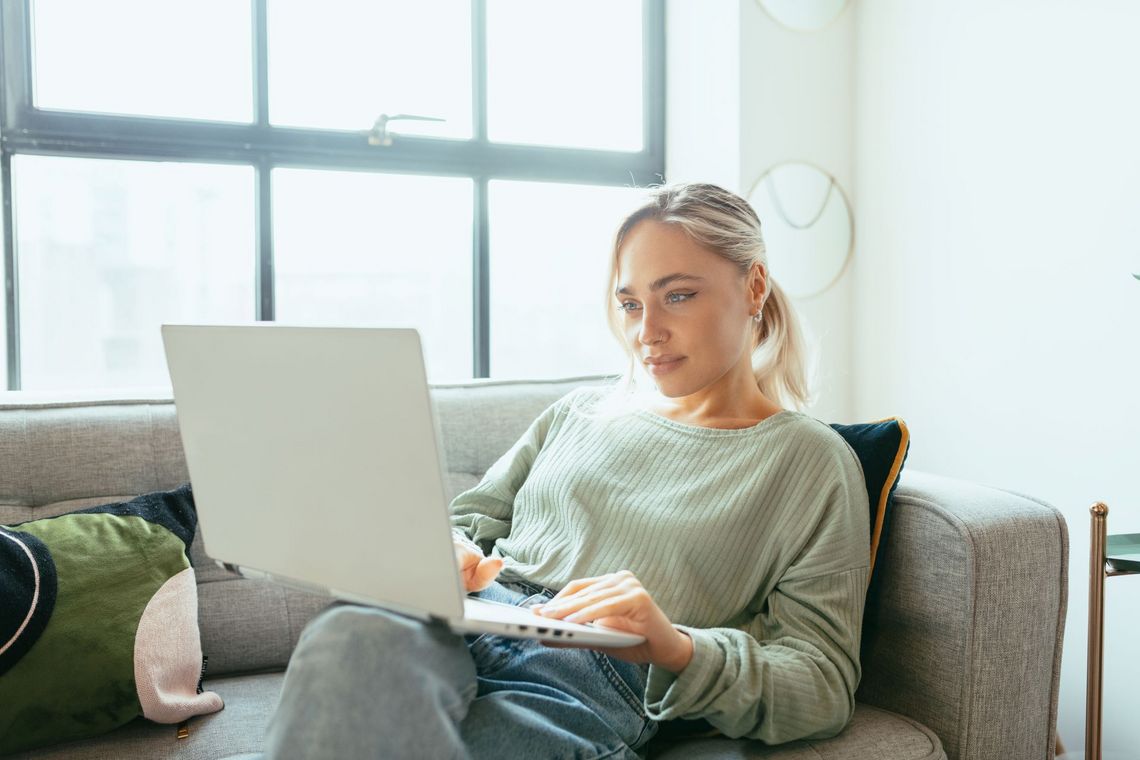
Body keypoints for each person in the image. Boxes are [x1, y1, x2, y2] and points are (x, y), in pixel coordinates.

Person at [261, 182, 870, 760]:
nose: (646, 332)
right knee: (350, 638)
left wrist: (676, 645)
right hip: (471, 615)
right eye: (630, 303)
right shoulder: (579, 412)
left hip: (590, 678)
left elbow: (822, 683)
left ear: (754, 285)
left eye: (677, 295)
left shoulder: (809, 462)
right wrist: (446, 550)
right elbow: (466, 522)